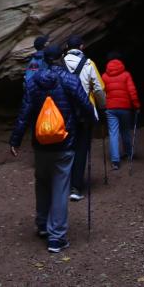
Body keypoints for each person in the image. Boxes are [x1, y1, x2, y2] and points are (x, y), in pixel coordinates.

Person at [10, 43, 91, 253]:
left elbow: (24, 113)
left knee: (42, 184)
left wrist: (15, 140)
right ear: (61, 57)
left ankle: (42, 225)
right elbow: (85, 104)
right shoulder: (69, 80)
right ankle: (56, 237)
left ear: (44, 59)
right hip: (64, 143)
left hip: (41, 144)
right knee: (60, 187)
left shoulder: (33, 82)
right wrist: (91, 122)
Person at [62, 35, 106, 201]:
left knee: (66, 148)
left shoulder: (59, 63)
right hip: (84, 113)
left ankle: (62, 184)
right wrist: (102, 108)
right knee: (81, 149)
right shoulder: (88, 63)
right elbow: (99, 89)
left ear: (66, 47)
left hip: (64, 112)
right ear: (82, 46)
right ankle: (76, 187)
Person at [102, 51, 141, 170]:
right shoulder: (126, 75)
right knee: (125, 131)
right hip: (125, 108)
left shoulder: (104, 76)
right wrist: (137, 105)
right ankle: (129, 153)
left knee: (113, 133)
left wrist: (103, 105)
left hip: (110, 108)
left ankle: (115, 161)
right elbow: (132, 91)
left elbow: (101, 92)